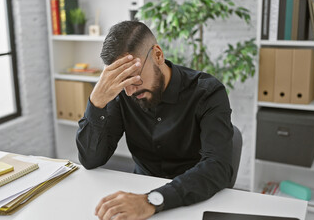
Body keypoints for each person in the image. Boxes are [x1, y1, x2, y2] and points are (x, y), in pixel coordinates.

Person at [76, 20, 234, 220]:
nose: (130, 90)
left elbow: (218, 167)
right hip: (139, 194)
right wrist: (96, 102)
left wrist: (152, 200)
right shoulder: (123, 93)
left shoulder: (207, 92)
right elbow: (91, 160)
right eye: (122, 81)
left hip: (195, 197)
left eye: (134, 77)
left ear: (158, 55)